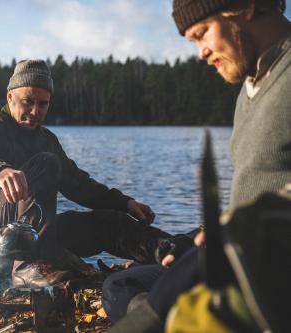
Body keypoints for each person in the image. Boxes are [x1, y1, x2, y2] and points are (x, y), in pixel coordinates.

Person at [103, 0, 291, 330]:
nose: (201, 52)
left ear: (245, 8)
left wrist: (237, 232)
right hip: (233, 252)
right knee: (120, 287)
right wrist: (199, 237)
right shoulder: (251, 87)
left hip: (268, 268)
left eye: (202, 34)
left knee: (151, 312)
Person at [0, 59, 186, 293]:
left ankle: (177, 250)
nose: (35, 111)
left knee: (108, 222)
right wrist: (0, 171)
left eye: (43, 104)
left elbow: (77, 184)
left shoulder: (46, 140)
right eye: (28, 102)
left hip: (38, 237)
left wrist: (125, 202)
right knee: (45, 163)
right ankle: (25, 268)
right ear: (9, 97)